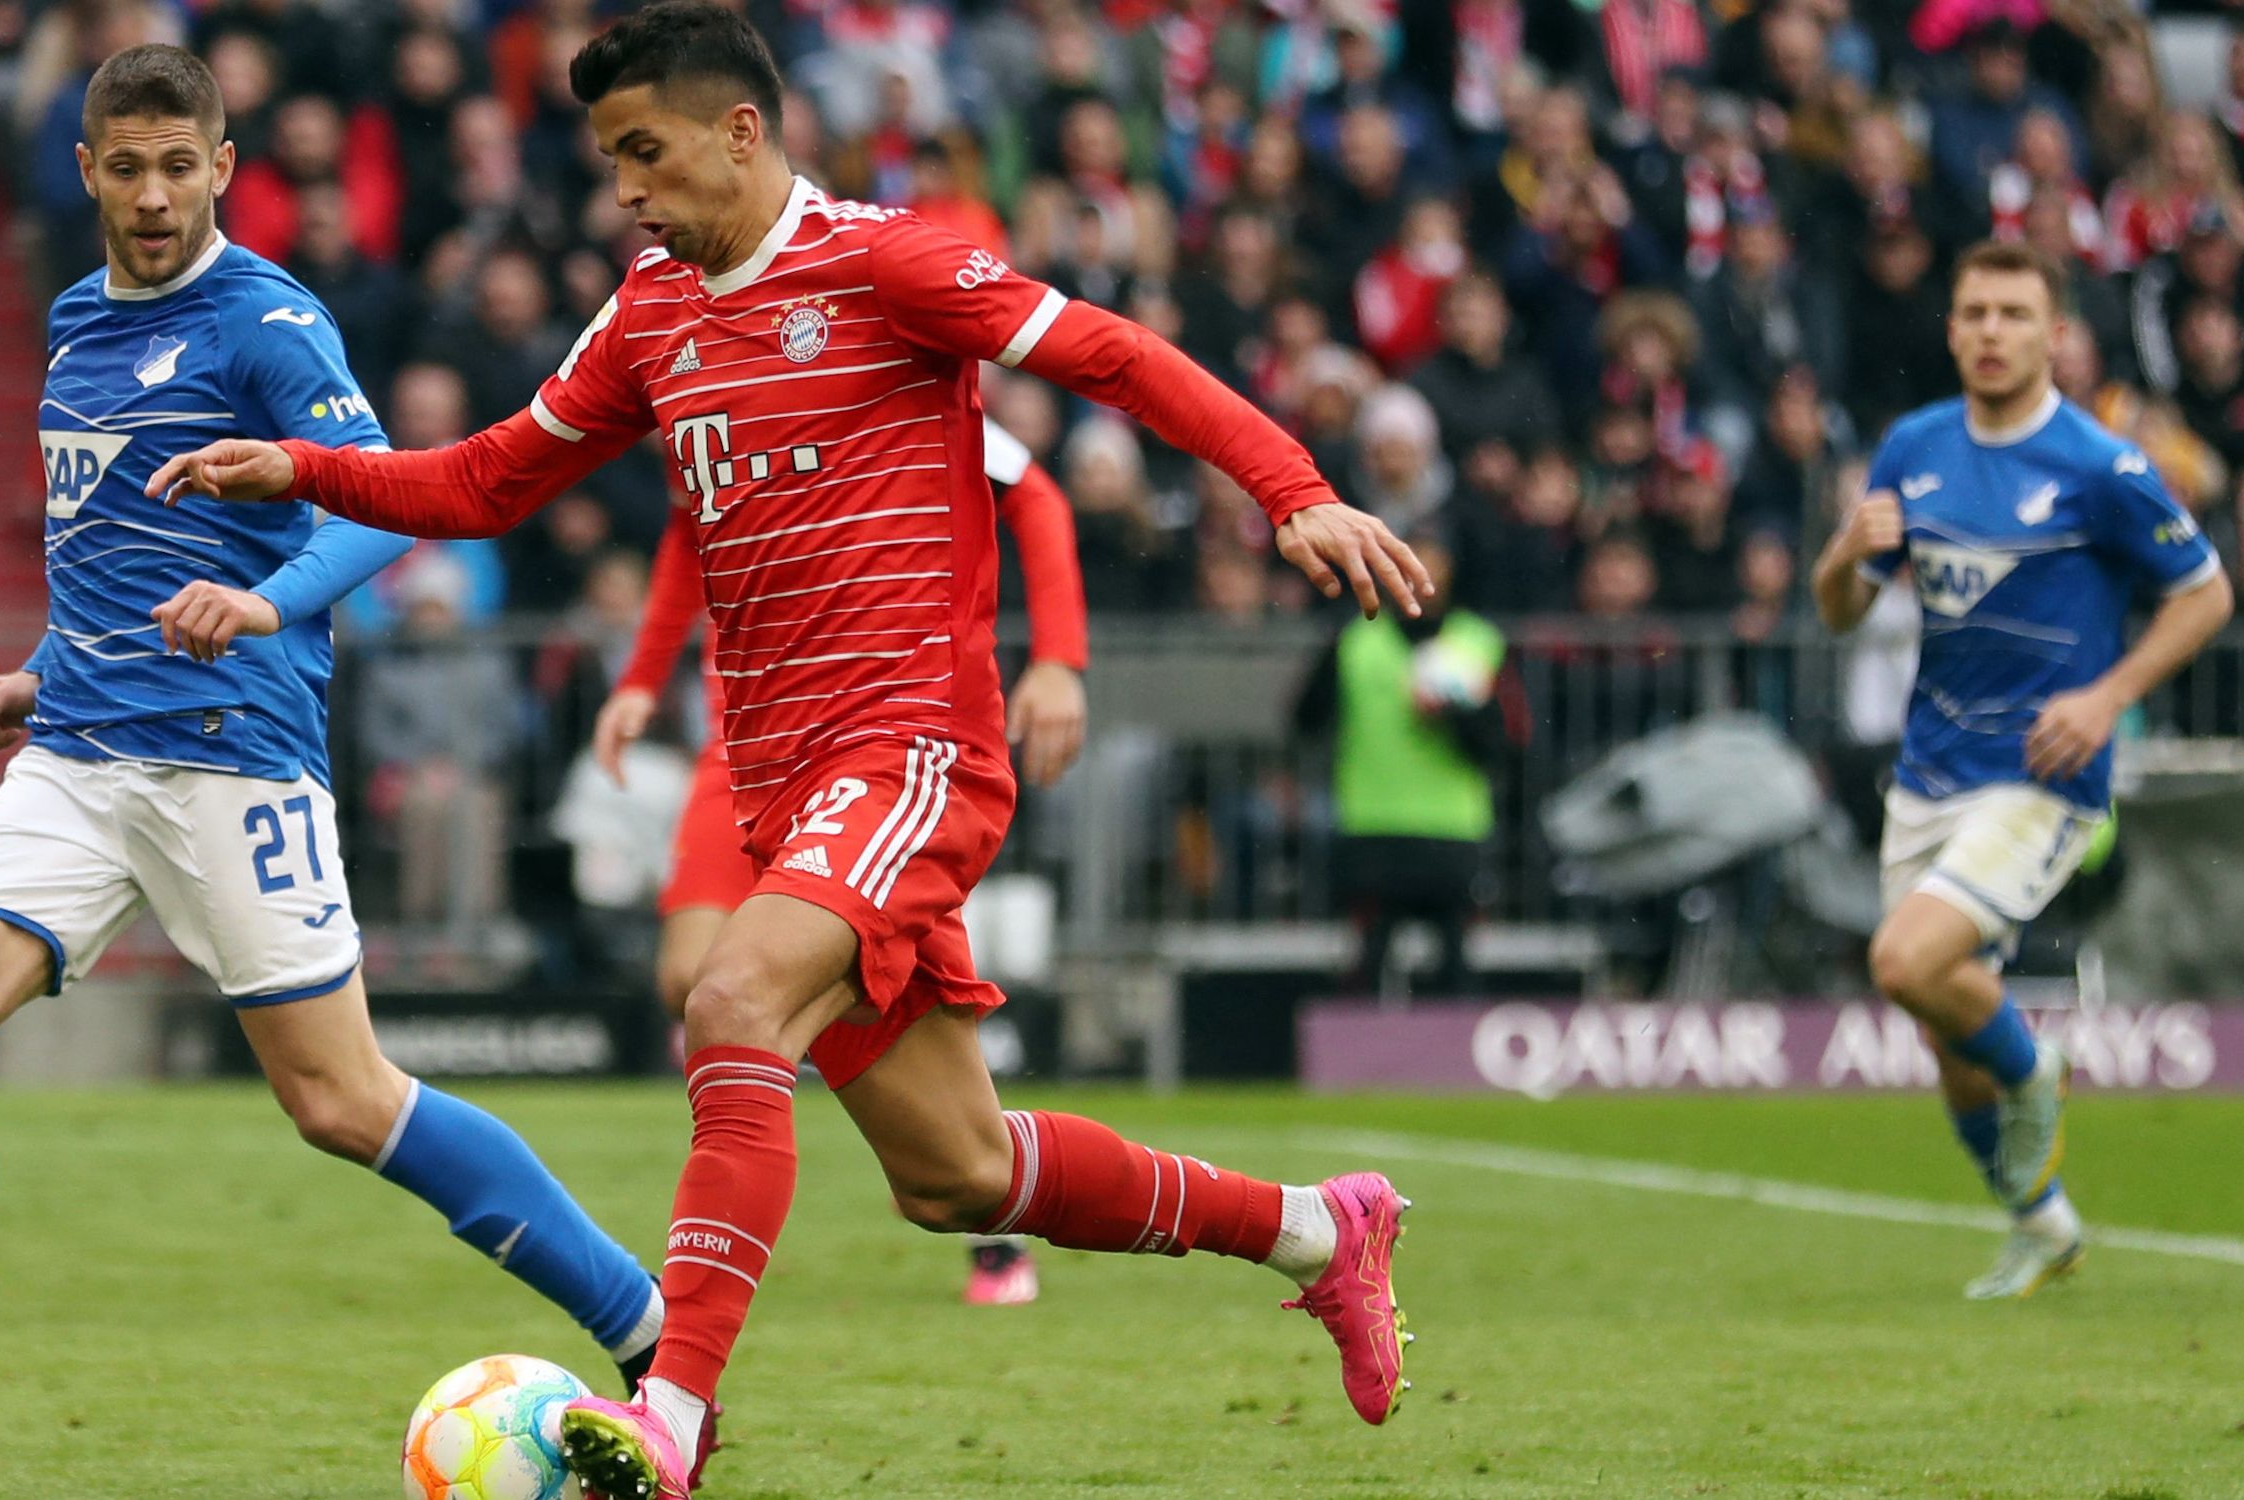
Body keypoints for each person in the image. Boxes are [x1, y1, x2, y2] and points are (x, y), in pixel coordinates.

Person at [144, 10, 1431, 1493]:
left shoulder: (888, 264)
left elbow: (1115, 355)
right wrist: (302, 465)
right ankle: (1321, 1229)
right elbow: (492, 478)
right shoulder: (649, 313)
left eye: (647, 151)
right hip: (777, 784)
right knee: (960, 1174)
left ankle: (669, 1422)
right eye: (610, 157)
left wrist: (1294, 490)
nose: (625, 188)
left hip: (910, 753)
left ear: (740, 133)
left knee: (732, 993)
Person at [0, 46, 663, 1479]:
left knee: (342, 1102)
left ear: (227, 166)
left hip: (229, 751)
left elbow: (378, 511)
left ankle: (649, 1324)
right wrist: (38, 674)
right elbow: (106, 551)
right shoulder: (73, 321)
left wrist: (264, 601)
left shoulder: (268, 321)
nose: (157, 194)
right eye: (130, 167)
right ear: (89, 171)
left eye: (183, 165)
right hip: (78, 754)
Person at [1811, 241, 2233, 1301]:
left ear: (2055, 335)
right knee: (1941, 1018)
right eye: (1975, 313)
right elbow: (1843, 608)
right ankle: (2042, 1223)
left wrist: (2106, 699)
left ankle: (2033, 1068)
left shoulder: (2100, 465)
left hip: (2043, 771)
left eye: (2013, 313)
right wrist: (1837, 555)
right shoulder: (1913, 445)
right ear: (1951, 330)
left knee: (1905, 962)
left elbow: (2206, 594)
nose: (1992, 331)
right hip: (1930, 770)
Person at [597, 416, 1090, 1310]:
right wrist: (641, 677)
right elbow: (683, 530)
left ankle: (983, 1205)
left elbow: (1038, 495)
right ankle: (734, 1222)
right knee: (694, 979)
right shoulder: (684, 361)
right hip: (743, 749)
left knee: (827, 988)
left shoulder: (875, 355)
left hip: (876, 745)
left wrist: (1057, 658)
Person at [1294, 538, 1516, 996]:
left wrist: (1456, 712)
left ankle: (1451, 1058)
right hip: (1373, 823)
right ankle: (1363, 1061)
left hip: (1452, 826)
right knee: (1369, 957)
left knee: (1454, 957)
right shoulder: (1354, 641)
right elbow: (1306, 719)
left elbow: (1504, 742)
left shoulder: (1479, 642)